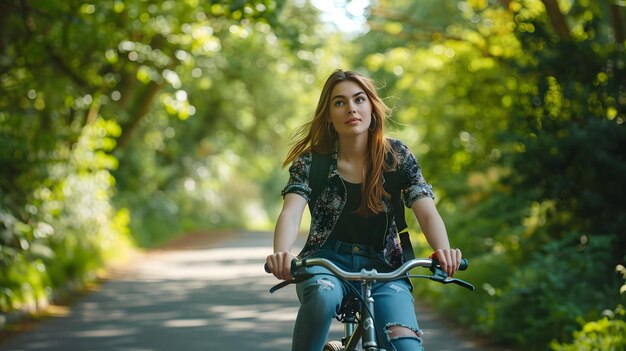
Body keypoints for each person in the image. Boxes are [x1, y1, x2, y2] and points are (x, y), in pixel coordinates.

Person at [265, 69, 462, 351]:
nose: (351, 109)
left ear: (372, 107)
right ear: (329, 115)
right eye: (339, 102)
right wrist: (282, 253)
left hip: (386, 268)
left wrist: (444, 250)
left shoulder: (397, 156)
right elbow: (291, 211)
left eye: (359, 100)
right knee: (322, 296)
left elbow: (425, 209)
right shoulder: (312, 162)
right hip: (326, 265)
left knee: (405, 346)